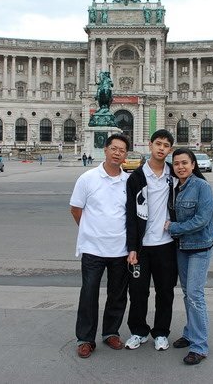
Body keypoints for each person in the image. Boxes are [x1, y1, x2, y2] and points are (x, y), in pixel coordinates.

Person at [69, 133, 131, 359]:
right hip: (93, 248)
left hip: (120, 249)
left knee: (117, 294)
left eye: (122, 150)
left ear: (125, 155)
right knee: (89, 293)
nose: (117, 153)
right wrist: (91, 230)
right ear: (105, 150)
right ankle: (85, 339)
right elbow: (76, 209)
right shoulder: (87, 178)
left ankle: (111, 332)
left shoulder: (129, 182)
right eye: (114, 148)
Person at [164, 148, 213, 365]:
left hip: (199, 247)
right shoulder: (174, 187)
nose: (180, 167)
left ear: (193, 164)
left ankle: (199, 346)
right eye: (177, 163)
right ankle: (190, 333)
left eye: (184, 163)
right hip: (182, 247)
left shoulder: (202, 186)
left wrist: (173, 228)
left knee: (195, 295)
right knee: (188, 293)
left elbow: (202, 218)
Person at [124, 129, 176, 351]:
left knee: (165, 292)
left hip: (167, 245)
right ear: (150, 145)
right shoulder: (136, 177)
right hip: (142, 247)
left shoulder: (174, 174)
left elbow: (199, 192)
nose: (161, 148)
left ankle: (161, 332)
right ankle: (138, 331)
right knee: (138, 293)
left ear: (170, 149)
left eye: (166, 145)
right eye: (158, 143)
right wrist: (132, 247)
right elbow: (130, 215)